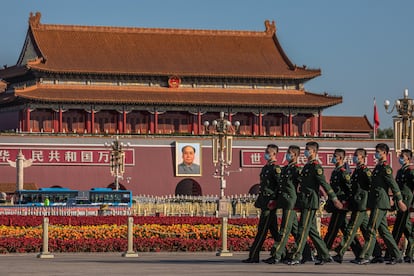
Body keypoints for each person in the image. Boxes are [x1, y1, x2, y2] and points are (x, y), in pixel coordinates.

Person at [287, 141, 343, 265]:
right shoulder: (307, 166)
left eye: (308, 149)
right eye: (305, 149)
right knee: (311, 230)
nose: (306, 151)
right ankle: (325, 255)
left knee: (302, 229)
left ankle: (297, 256)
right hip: (304, 201)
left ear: (314, 152)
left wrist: (334, 198)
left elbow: (324, 183)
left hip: (310, 202)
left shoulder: (316, 166)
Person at [358, 143, 407, 265]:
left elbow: (393, 185)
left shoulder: (386, 168)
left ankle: (366, 255)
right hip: (376, 201)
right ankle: (397, 255)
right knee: (383, 230)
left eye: (378, 152)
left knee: (371, 228)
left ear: (384, 153)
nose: (376, 154)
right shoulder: (378, 167)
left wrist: (399, 200)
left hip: (381, 202)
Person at [263, 145, 313, 264]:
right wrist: (275, 199)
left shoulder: (297, 169)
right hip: (284, 201)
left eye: (289, 153)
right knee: (295, 230)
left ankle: (277, 255)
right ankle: (306, 253)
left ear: (295, 155)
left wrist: (301, 200)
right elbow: (280, 186)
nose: (287, 155)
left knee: (284, 229)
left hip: (291, 202)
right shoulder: (285, 168)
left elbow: (304, 185)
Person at [332, 148, 382, 264]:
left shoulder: (365, 171)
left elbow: (372, 185)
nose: (354, 157)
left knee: (351, 229)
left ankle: (340, 253)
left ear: (363, 157)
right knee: (366, 230)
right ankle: (378, 253)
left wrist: (368, 198)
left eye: (356, 155)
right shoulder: (357, 170)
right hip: (357, 204)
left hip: (361, 204)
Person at [242, 144, 281, 263]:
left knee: (262, 230)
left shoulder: (276, 168)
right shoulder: (266, 168)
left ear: (274, 154)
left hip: (270, 204)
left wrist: (274, 200)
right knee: (274, 231)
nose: (266, 154)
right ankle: (283, 253)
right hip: (264, 202)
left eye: (268, 152)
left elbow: (280, 186)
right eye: (266, 151)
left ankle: (254, 255)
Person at [323, 149, 361, 257]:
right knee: (345, 230)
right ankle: (358, 252)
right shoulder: (335, 171)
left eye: (335, 156)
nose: (333, 158)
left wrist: (345, 202)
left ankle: (324, 252)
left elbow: (350, 189)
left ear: (340, 158)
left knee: (333, 229)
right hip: (336, 205)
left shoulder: (343, 172)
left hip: (341, 206)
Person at [390, 149, 414, 263]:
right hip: (400, 201)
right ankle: (409, 254)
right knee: (407, 229)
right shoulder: (400, 171)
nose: (400, 157)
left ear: (408, 158)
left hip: (407, 201)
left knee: (398, 228)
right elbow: (397, 188)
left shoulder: (410, 171)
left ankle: (393, 253)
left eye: (402, 156)